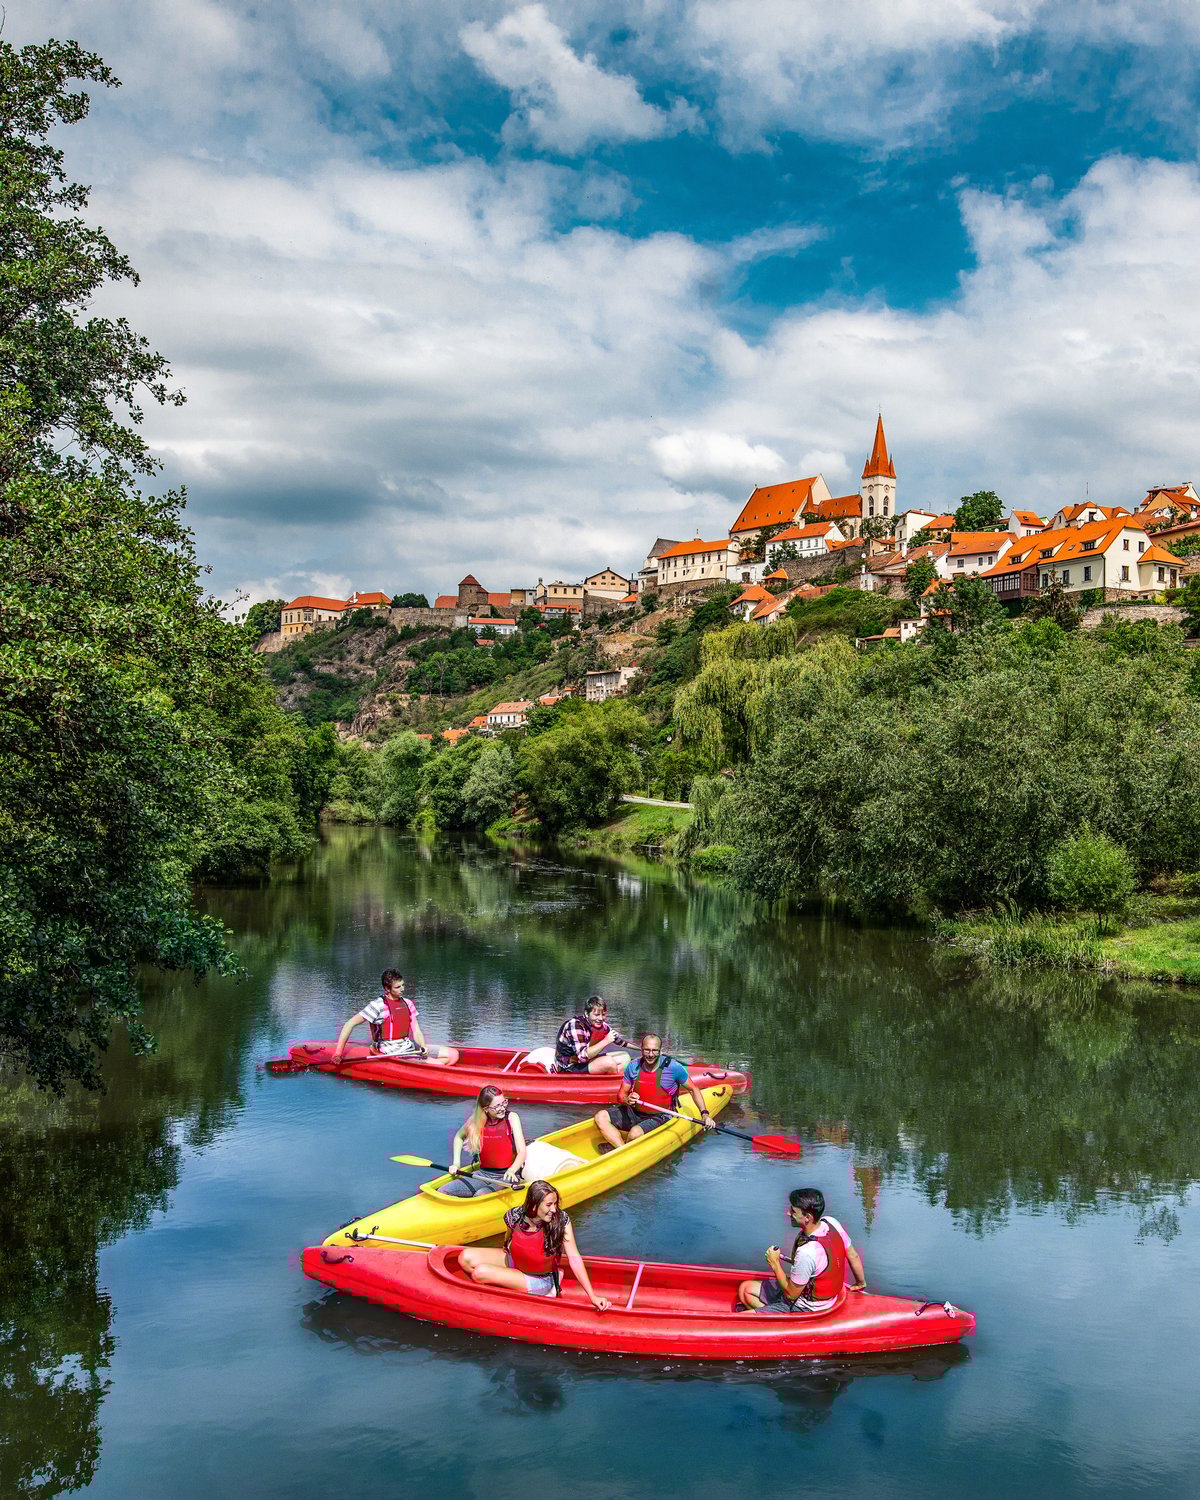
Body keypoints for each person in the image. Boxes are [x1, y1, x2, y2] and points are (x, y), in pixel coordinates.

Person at [460, 1180, 610, 1310]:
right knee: (465, 1257)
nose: (554, 1209)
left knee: (479, 1273)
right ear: (533, 1206)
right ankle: (508, 1281)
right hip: (516, 1262)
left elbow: (574, 1259)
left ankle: (548, 1288)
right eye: (549, 1205)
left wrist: (592, 1296)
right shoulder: (514, 1215)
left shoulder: (561, 1220)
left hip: (540, 1278)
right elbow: (508, 1238)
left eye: (555, 1203)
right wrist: (507, 1249)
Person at [737, 1187, 867, 1314]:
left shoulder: (807, 1252)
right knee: (745, 1290)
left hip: (805, 1306)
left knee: (741, 1317)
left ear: (807, 1217)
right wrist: (861, 1282)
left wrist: (774, 1263)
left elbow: (791, 1294)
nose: (788, 1213)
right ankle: (773, 1313)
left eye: (793, 1211)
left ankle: (784, 1317)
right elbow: (853, 1256)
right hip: (813, 1295)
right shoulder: (831, 1222)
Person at [594, 1033, 717, 1147]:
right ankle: (621, 1150)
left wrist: (705, 1114)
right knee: (600, 1117)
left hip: (661, 1115)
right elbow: (620, 1096)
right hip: (635, 1112)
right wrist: (627, 1100)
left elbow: (693, 1089)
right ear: (641, 1049)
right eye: (647, 1050)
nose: (651, 1054)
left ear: (660, 1051)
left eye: (655, 1050)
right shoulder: (633, 1066)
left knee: (634, 1133)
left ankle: (619, 1149)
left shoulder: (673, 1067)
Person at [330, 969, 458, 1066]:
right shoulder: (377, 1006)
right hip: (391, 1051)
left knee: (453, 1055)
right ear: (387, 988)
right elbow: (349, 1024)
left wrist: (423, 1046)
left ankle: (424, 1064)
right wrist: (338, 1053)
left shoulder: (408, 1003)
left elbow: (417, 1031)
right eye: (398, 987)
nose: (402, 989)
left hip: (408, 1047)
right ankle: (426, 1067)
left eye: (403, 985)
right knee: (439, 1064)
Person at [441, 1086, 527, 1197]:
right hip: (483, 1174)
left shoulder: (511, 1118)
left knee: (481, 1194)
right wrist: (456, 1163)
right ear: (486, 1108)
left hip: (507, 1176)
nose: (502, 1108)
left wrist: (511, 1170)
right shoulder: (476, 1121)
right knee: (444, 1190)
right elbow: (459, 1137)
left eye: (504, 1102)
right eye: (497, 1106)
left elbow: (522, 1152)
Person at [550, 995, 631, 1075]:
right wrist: (606, 1041)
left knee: (625, 1057)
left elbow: (619, 1041)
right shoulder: (575, 1025)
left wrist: (638, 1048)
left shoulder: (600, 1024)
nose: (600, 1018)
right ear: (586, 1013)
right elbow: (582, 1056)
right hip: (567, 1066)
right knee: (609, 1063)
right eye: (596, 1015)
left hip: (584, 1061)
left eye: (603, 1015)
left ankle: (613, 1078)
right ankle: (612, 1080)